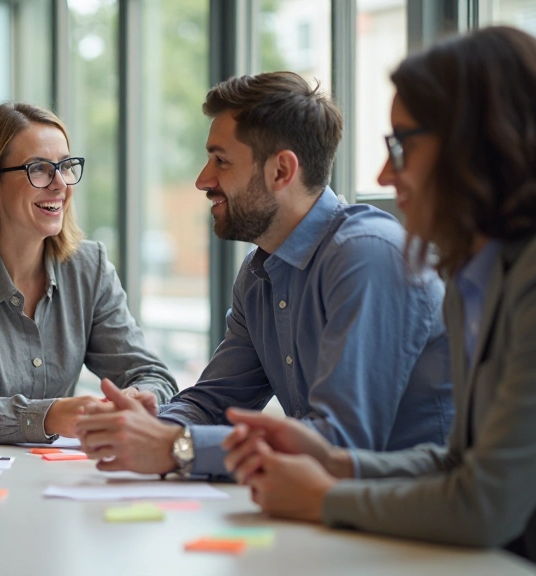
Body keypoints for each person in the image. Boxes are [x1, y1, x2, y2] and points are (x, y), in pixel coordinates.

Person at [221, 26, 536, 563]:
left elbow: (486, 503)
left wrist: (325, 495)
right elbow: (458, 462)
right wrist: (334, 464)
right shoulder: (473, 279)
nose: (384, 173)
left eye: (401, 146)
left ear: (474, 143)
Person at [75, 71, 453, 477]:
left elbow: (340, 442)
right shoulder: (260, 272)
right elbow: (214, 403)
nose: (203, 180)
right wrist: (153, 425)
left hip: (415, 526)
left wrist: (178, 447)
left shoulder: (368, 256)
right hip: (329, 515)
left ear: (281, 171)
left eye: (221, 161)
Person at [0, 102, 177, 444]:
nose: (60, 184)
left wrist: (141, 399)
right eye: (40, 169)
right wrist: (51, 416)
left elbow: (152, 374)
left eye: (65, 166)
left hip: (59, 475)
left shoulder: (89, 267)